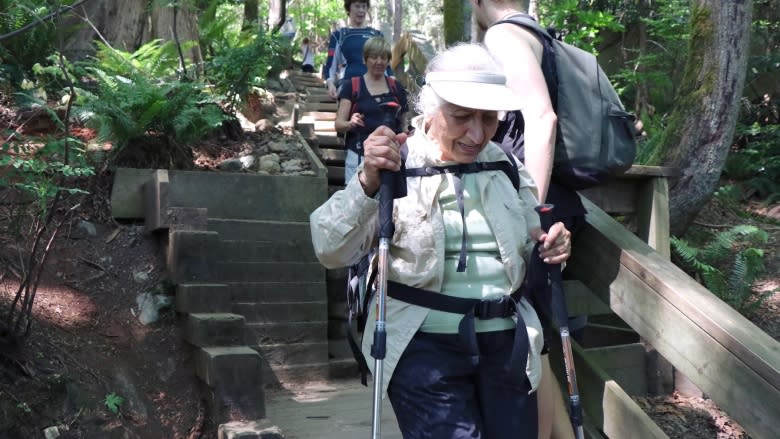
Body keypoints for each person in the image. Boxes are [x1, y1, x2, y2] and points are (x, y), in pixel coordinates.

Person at [310, 43, 572, 439]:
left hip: (508, 343)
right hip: (422, 346)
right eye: (461, 117)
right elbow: (330, 249)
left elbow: (532, 238)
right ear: (430, 109)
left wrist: (553, 246)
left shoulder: (505, 165)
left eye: (489, 119)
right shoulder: (395, 163)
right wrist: (367, 181)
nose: (477, 133)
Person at [471, 1, 586, 438]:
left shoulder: (503, 35)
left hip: (539, 211)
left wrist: (529, 212)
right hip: (553, 202)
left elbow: (542, 116)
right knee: (535, 344)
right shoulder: (538, 32)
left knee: (530, 343)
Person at [335, 36, 409, 184]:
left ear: (388, 60)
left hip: (389, 157)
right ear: (365, 59)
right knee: (355, 202)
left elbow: (404, 123)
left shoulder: (396, 87)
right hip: (358, 156)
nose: (379, 62)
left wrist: (406, 134)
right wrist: (351, 123)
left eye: (383, 57)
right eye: (374, 57)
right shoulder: (352, 86)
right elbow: (338, 124)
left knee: (389, 204)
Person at [323, 0, 393, 100]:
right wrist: (330, 84)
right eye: (357, 6)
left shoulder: (377, 35)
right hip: (348, 87)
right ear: (348, 8)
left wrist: (393, 83)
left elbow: (386, 65)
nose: (361, 10)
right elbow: (330, 66)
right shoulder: (338, 35)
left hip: (376, 88)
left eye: (364, 7)